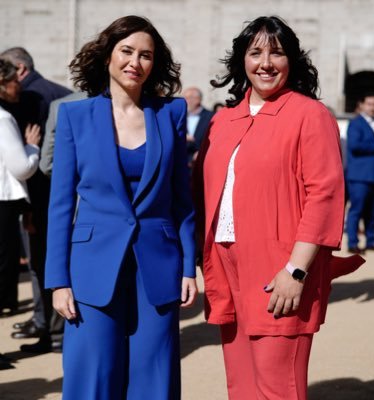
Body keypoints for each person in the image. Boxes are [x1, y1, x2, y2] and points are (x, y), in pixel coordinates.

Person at [193, 16, 364, 400]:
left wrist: (296, 270)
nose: (265, 62)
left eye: (277, 52)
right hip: (225, 264)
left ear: (292, 61)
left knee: (277, 388)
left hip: (280, 269)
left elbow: (324, 194)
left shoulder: (309, 114)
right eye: (255, 53)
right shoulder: (223, 120)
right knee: (242, 386)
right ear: (242, 61)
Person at [45, 15, 197, 399]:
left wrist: (188, 265)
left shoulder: (171, 113)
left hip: (159, 264)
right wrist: (58, 280)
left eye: (146, 55)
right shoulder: (75, 117)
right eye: (126, 51)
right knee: (92, 374)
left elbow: (183, 198)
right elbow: (61, 204)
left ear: (154, 64)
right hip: (90, 268)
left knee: (154, 376)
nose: (135, 62)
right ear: (108, 57)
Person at [1, 47, 72, 353]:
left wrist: (30, 209)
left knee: (42, 265)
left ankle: (51, 331)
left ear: (20, 70)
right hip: (53, 196)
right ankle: (50, 329)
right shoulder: (59, 92)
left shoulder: (31, 98)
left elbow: (36, 163)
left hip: (39, 198)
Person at [0, 58, 40, 368]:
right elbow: (22, 167)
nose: (20, 86)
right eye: (14, 81)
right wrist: (32, 146)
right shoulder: (3, 119)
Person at [346, 93, 374, 254]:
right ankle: (353, 242)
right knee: (357, 209)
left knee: (373, 211)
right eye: (369, 104)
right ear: (362, 105)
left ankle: (371, 240)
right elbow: (355, 145)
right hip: (360, 175)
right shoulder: (356, 123)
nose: (373, 107)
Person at [182, 86, 213, 166]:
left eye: (189, 98)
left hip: (203, 162)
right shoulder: (180, 116)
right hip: (183, 164)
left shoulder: (211, 116)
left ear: (198, 99)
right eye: (184, 98)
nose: (185, 101)